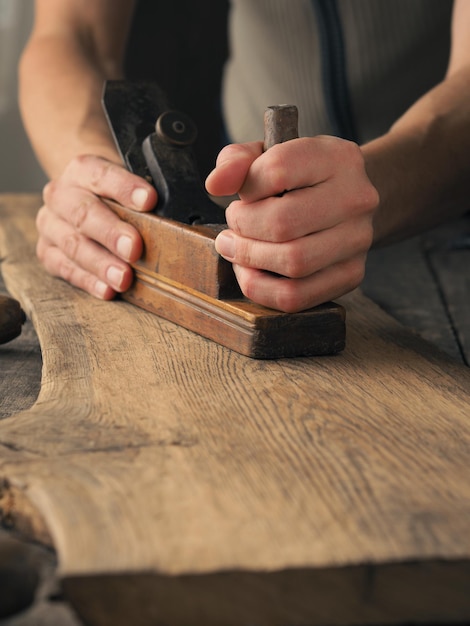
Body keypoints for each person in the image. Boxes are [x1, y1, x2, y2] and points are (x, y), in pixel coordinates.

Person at [18, 0, 470, 313]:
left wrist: (379, 182)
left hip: (439, 219)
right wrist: (99, 179)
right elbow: (69, 35)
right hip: (246, 214)